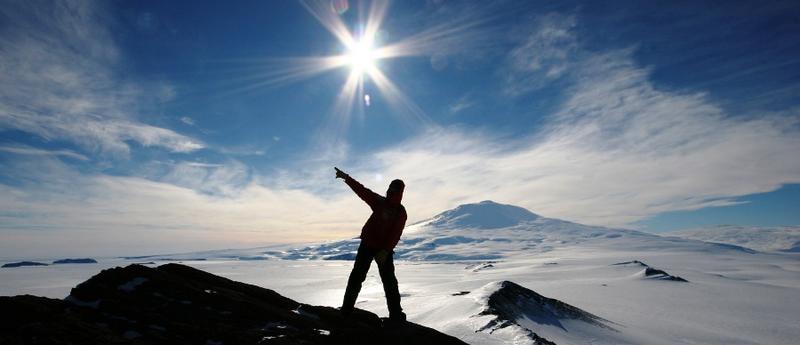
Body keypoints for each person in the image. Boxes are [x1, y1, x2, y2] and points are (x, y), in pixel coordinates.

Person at [335, 167, 407, 323]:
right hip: (367, 245)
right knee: (356, 278)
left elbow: (396, 233)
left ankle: (396, 315)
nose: (390, 191)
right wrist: (346, 178)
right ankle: (346, 310)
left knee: (389, 282)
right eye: (389, 188)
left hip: (383, 250)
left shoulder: (400, 212)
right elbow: (363, 191)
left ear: (399, 192)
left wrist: (386, 251)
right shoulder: (379, 202)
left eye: (393, 189)